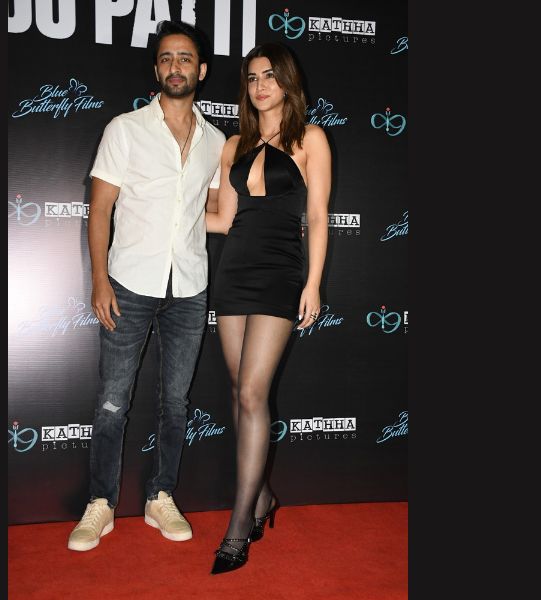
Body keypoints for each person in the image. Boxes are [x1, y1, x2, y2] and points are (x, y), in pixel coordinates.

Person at [67, 20, 226, 552]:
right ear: (156, 70)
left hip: (190, 287)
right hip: (129, 283)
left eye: (185, 58)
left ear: (201, 70)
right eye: (166, 58)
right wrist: (99, 280)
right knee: (113, 401)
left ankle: (161, 496)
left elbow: (211, 213)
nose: (176, 67)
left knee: (176, 402)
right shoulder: (125, 129)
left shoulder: (216, 142)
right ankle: (101, 503)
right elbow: (100, 209)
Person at [205, 42, 331, 574]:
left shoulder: (310, 139)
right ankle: (262, 497)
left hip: (280, 273)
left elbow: (318, 217)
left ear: (287, 82)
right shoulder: (233, 144)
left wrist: (313, 284)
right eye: (253, 78)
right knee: (239, 390)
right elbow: (221, 219)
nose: (260, 86)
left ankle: (239, 525)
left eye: (270, 76)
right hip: (233, 272)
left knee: (254, 392)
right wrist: (162, 211)